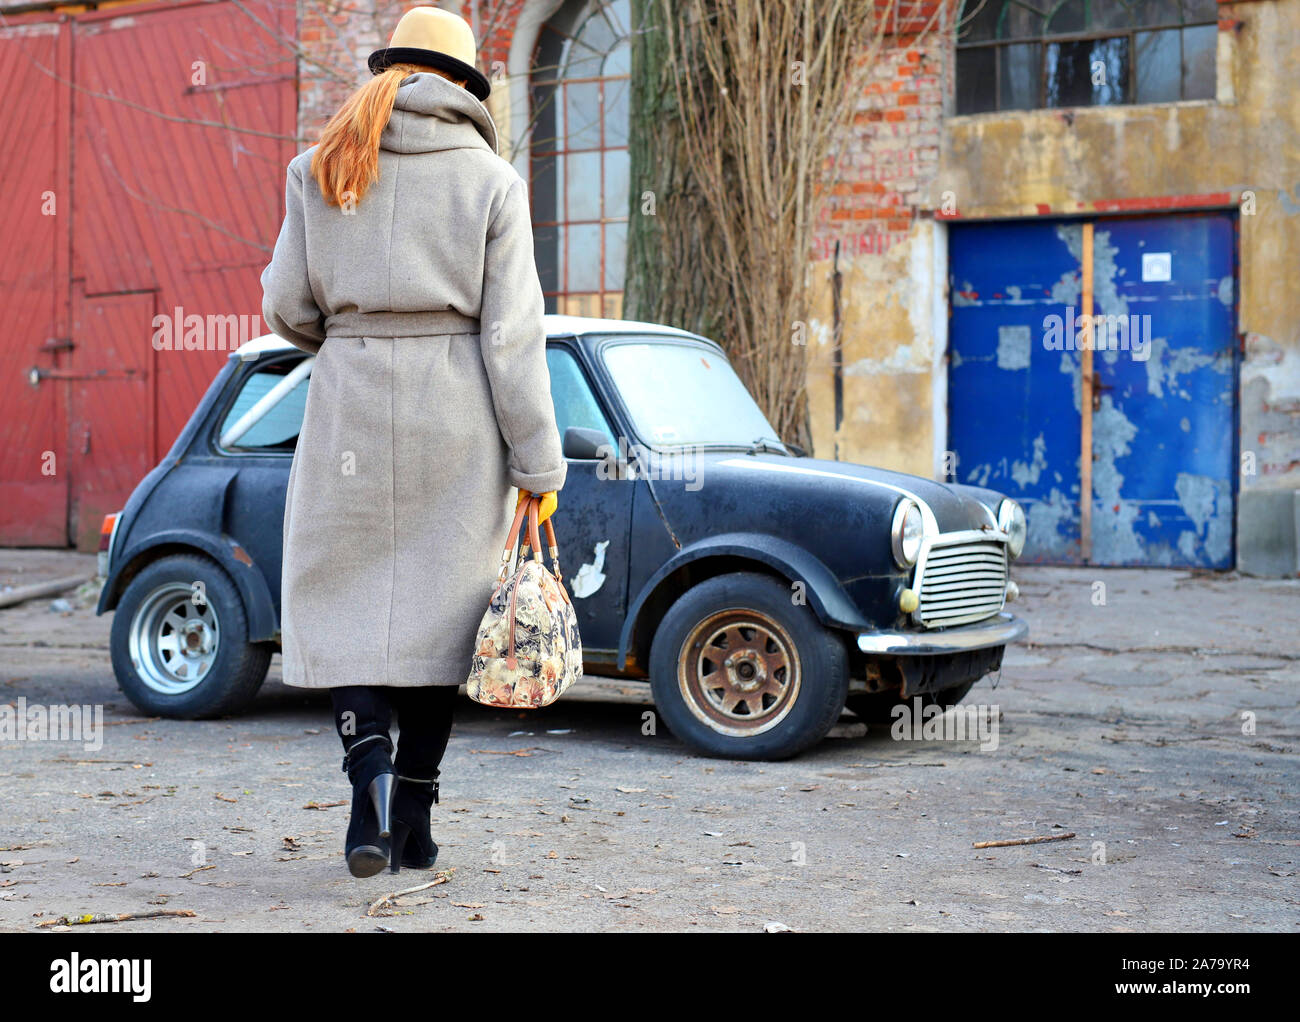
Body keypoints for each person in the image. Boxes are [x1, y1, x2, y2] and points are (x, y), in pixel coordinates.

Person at [260, 6, 566, 878]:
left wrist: (354, 334)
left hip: (349, 403)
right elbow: (513, 340)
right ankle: (417, 823)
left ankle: (367, 791)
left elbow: (286, 307)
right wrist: (538, 463)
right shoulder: (492, 181)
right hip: (457, 415)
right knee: (444, 622)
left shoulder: (320, 167)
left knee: (348, 608)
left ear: (387, 69)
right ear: (465, 85)